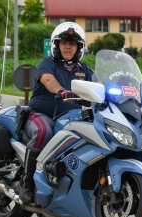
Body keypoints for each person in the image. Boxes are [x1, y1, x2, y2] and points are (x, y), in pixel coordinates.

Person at [17, 22, 94, 204]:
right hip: (42, 114)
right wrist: (61, 91)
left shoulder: (84, 70)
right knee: (44, 131)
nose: (68, 46)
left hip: (71, 118)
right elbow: (48, 80)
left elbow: (99, 87)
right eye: (64, 42)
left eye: (73, 43)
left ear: (79, 48)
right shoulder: (47, 63)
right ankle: (26, 183)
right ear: (57, 45)